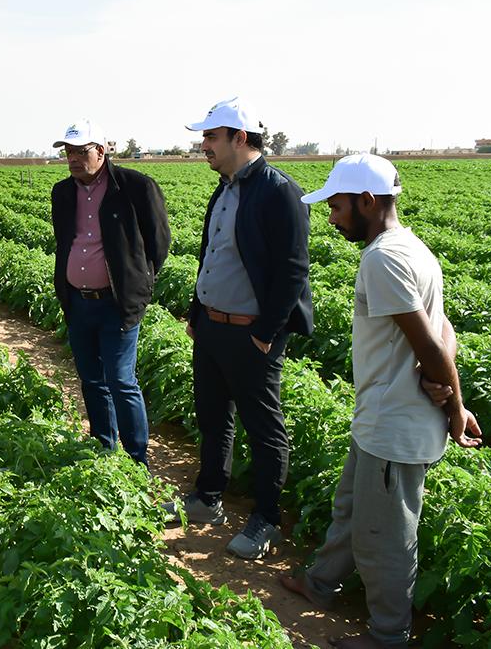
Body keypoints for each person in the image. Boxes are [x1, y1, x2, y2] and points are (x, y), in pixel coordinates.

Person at [281, 154, 481, 649]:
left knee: (386, 539)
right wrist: (445, 387)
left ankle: (388, 635)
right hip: (380, 416)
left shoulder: (383, 259)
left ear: (367, 201)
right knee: (351, 508)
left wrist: (454, 406)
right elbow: (444, 329)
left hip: (395, 425)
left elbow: (433, 347)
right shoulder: (412, 248)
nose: (332, 217)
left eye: (338, 206)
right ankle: (320, 582)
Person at [163, 97, 313, 560]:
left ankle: (266, 519)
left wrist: (266, 332)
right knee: (212, 416)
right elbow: (212, 255)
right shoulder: (225, 189)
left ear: (239, 138)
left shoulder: (279, 191)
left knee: (263, 428)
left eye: (210, 137)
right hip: (212, 327)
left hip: (252, 333)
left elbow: (293, 271)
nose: (202, 145)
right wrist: (197, 312)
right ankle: (208, 498)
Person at [50, 119, 170, 466]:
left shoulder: (135, 186)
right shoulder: (62, 192)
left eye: (81, 151)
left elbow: (158, 244)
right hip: (78, 302)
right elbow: (65, 241)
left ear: (101, 151)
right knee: (91, 379)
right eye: (68, 152)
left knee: (120, 380)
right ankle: (104, 447)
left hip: (116, 304)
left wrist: (138, 286)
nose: (73, 158)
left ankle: (136, 459)